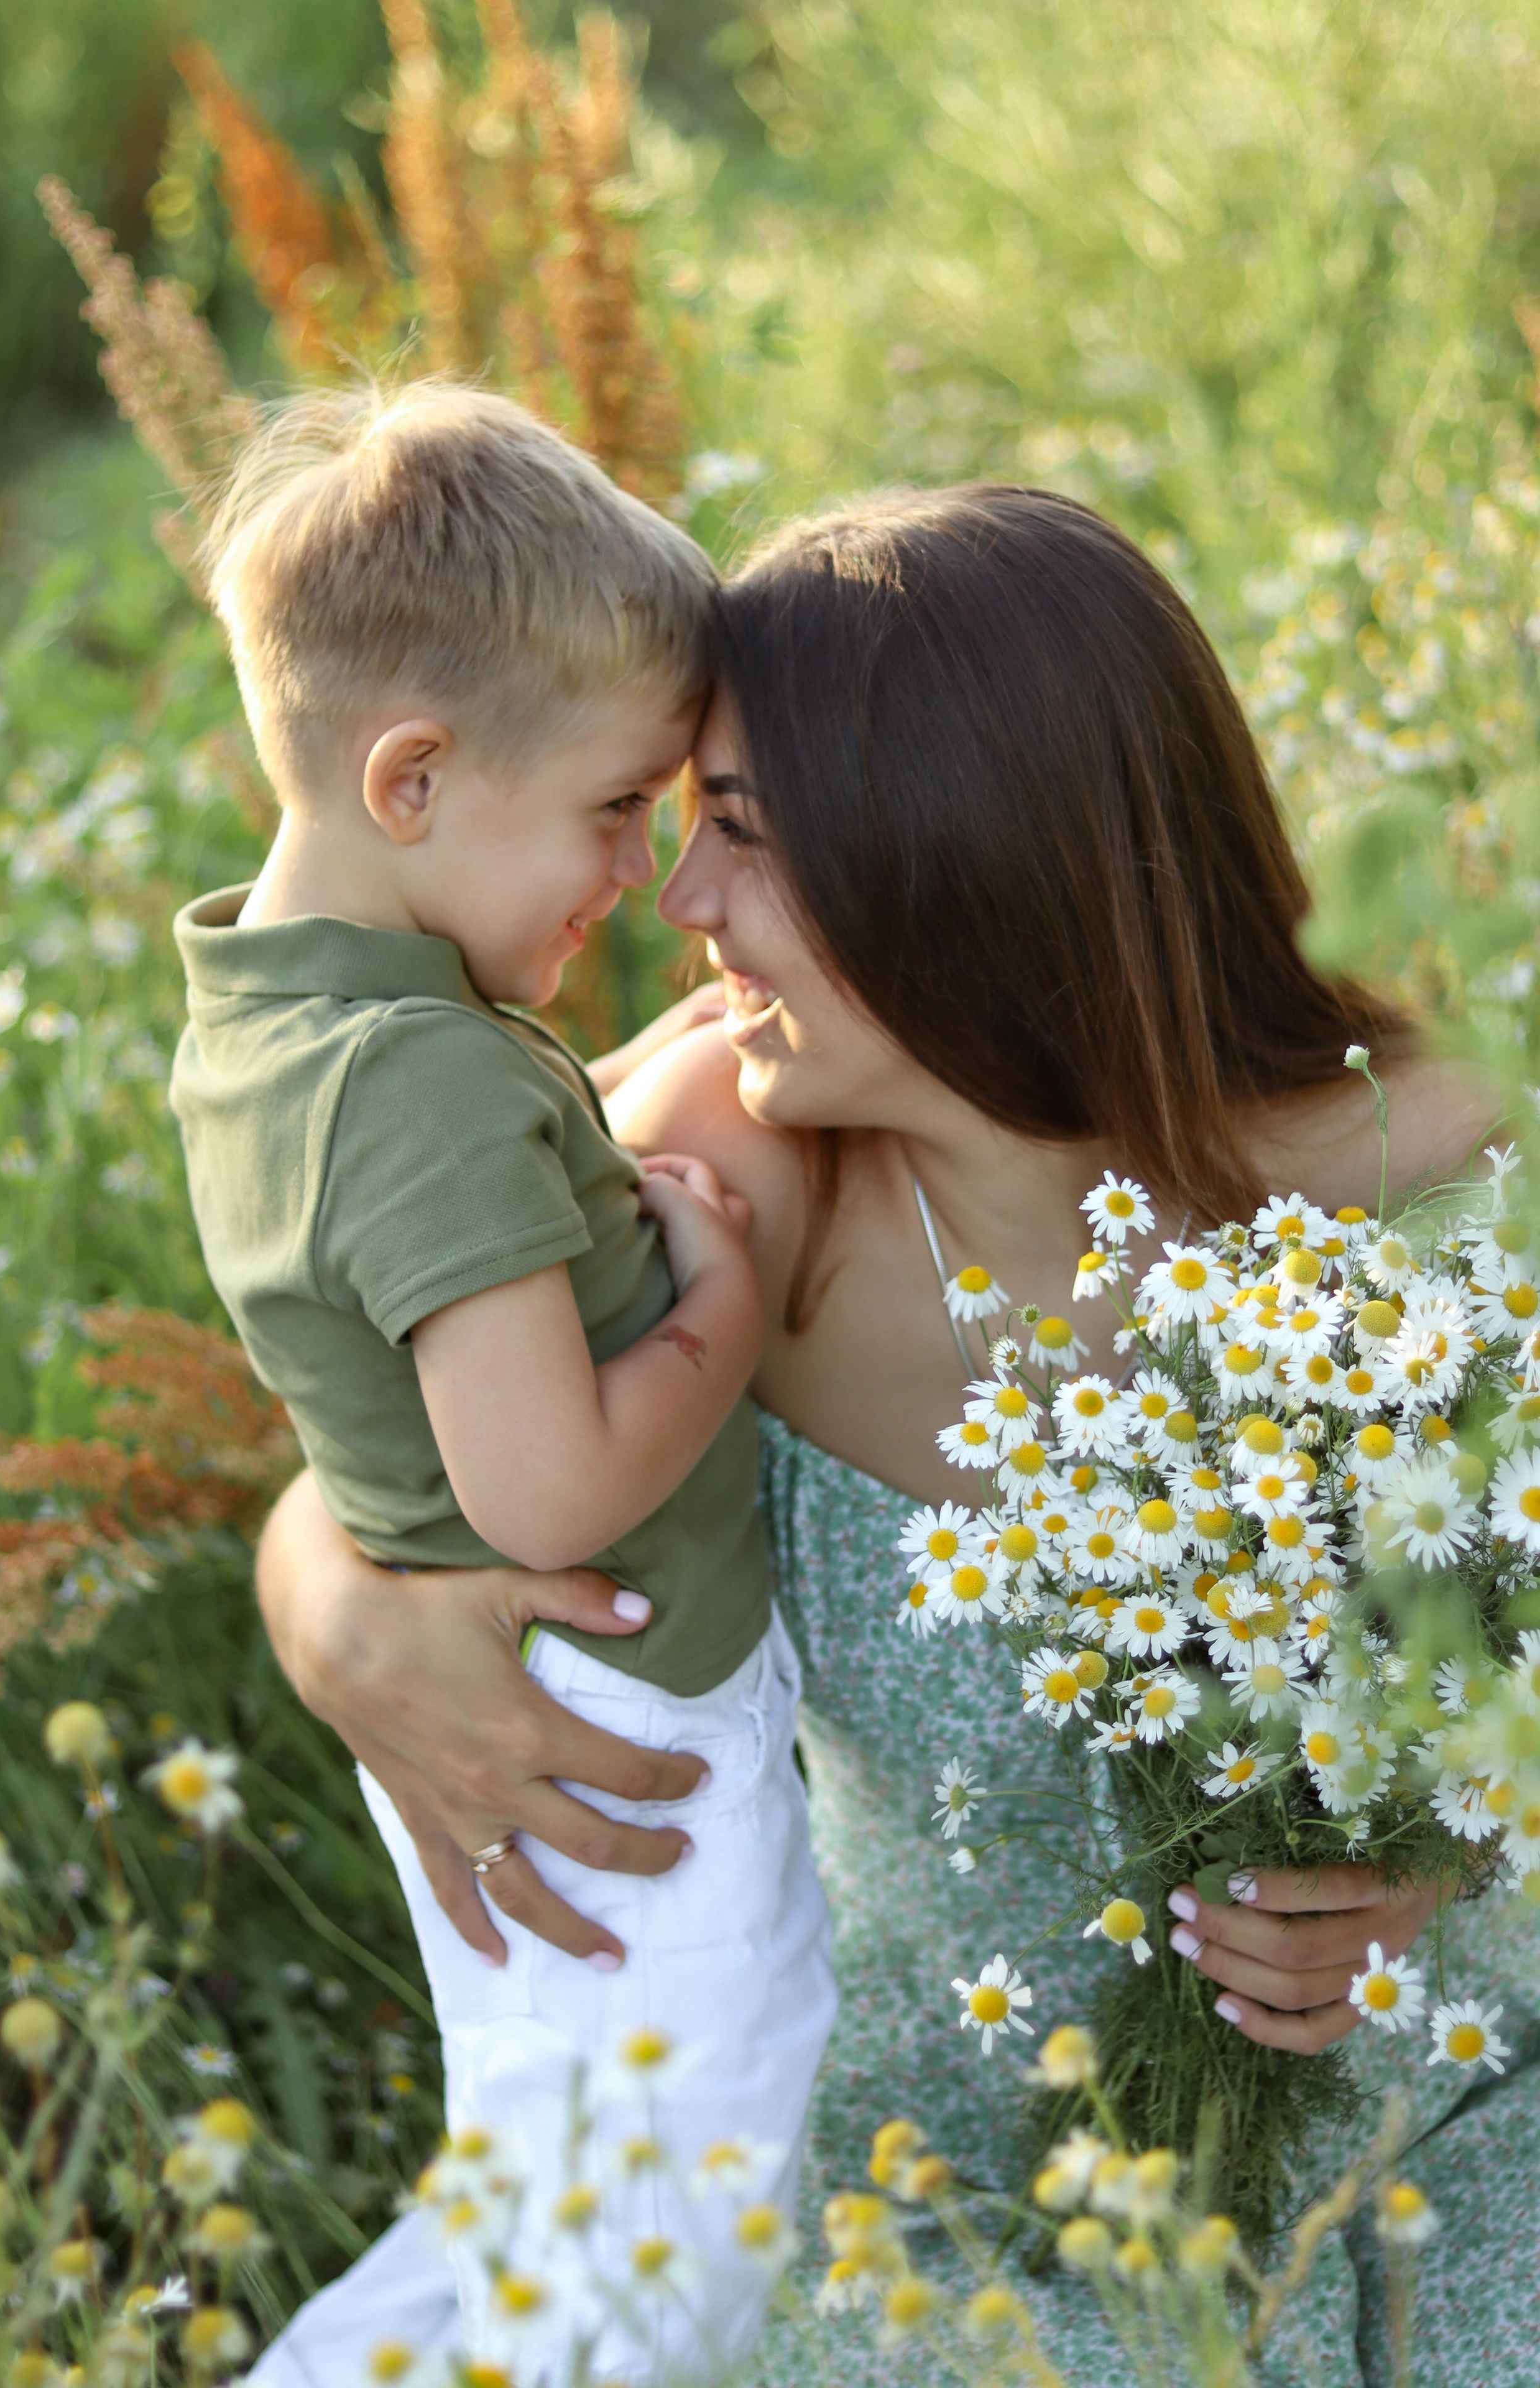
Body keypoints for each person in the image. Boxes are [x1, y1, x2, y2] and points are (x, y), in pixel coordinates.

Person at [254, 485, 1539, 2386]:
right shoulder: (733, 1160)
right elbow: (382, 1427)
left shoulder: (1428, 1176)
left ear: (960, 859)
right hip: (941, 2174)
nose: (679, 904)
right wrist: (332, 1618)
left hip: (1442, 2093)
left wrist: (1437, 1858)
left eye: (744, 838)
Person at [167, 379, 835, 2387]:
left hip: (514, 1708)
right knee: (689, 2188)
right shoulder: (427, 1080)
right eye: (619, 808)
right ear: (416, 783)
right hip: (608, 1710)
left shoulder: (274, 1019)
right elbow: (549, 1492)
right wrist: (723, 1281)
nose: (640, 871)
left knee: (549, 2157)